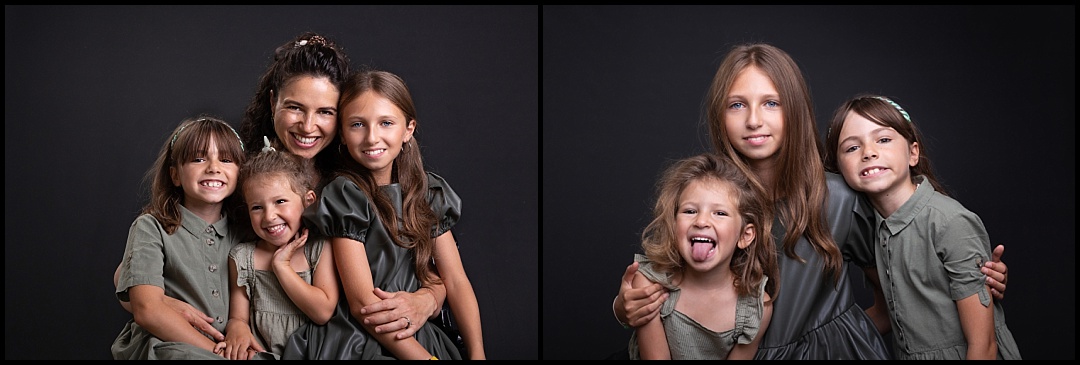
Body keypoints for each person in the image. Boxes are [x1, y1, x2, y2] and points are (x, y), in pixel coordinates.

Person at [612, 43, 1011, 359]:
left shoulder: (838, 197)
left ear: (796, 109)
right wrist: (623, 307)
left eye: (771, 102)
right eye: (738, 105)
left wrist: (973, 272)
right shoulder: (705, 203)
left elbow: (905, 266)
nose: (754, 120)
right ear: (720, 116)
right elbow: (668, 280)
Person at [237, 31, 454, 344]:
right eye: (295, 107)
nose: (308, 126)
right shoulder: (242, 179)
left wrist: (429, 299)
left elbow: (423, 261)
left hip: (355, 341)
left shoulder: (358, 181)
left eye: (325, 112)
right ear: (273, 103)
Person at [284, 68, 482, 360]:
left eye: (386, 123)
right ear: (342, 133)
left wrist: (478, 354)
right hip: (359, 337)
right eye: (357, 125)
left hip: (415, 331)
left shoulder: (429, 192)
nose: (371, 137)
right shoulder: (345, 194)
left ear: (408, 129)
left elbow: (455, 280)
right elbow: (363, 303)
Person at [822, 95, 1021, 359]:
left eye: (883, 139)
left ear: (913, 152)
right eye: (851, 148)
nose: (869, 152)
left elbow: (982, 346)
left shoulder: (949, 222)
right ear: (838, 169)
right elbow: (888, 314)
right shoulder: (871, 227)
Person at [111, 115, 259, 359]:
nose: (213, 167)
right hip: (167, 345)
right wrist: (215, 353)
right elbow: (147, 310)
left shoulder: (246, 232)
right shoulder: (151, 227)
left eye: (225, 159)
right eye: (198, 159)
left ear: (240, 173)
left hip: (227, 347)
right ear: (175, 175)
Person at [628, 153, 778, 360]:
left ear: (745, 235)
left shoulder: (756, 308)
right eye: (690, 211)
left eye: (720, 213)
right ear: (673, 225)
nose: (702, 221)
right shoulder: (650, 285)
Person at [215, 138, 339, 360]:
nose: (269, 216)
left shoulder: (319, 249)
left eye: (280, 201)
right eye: (257, 207)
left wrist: (281, 266)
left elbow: (322, 312)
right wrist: (237, 328)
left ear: (308, 201)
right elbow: (238, 317)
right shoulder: (243, 258)